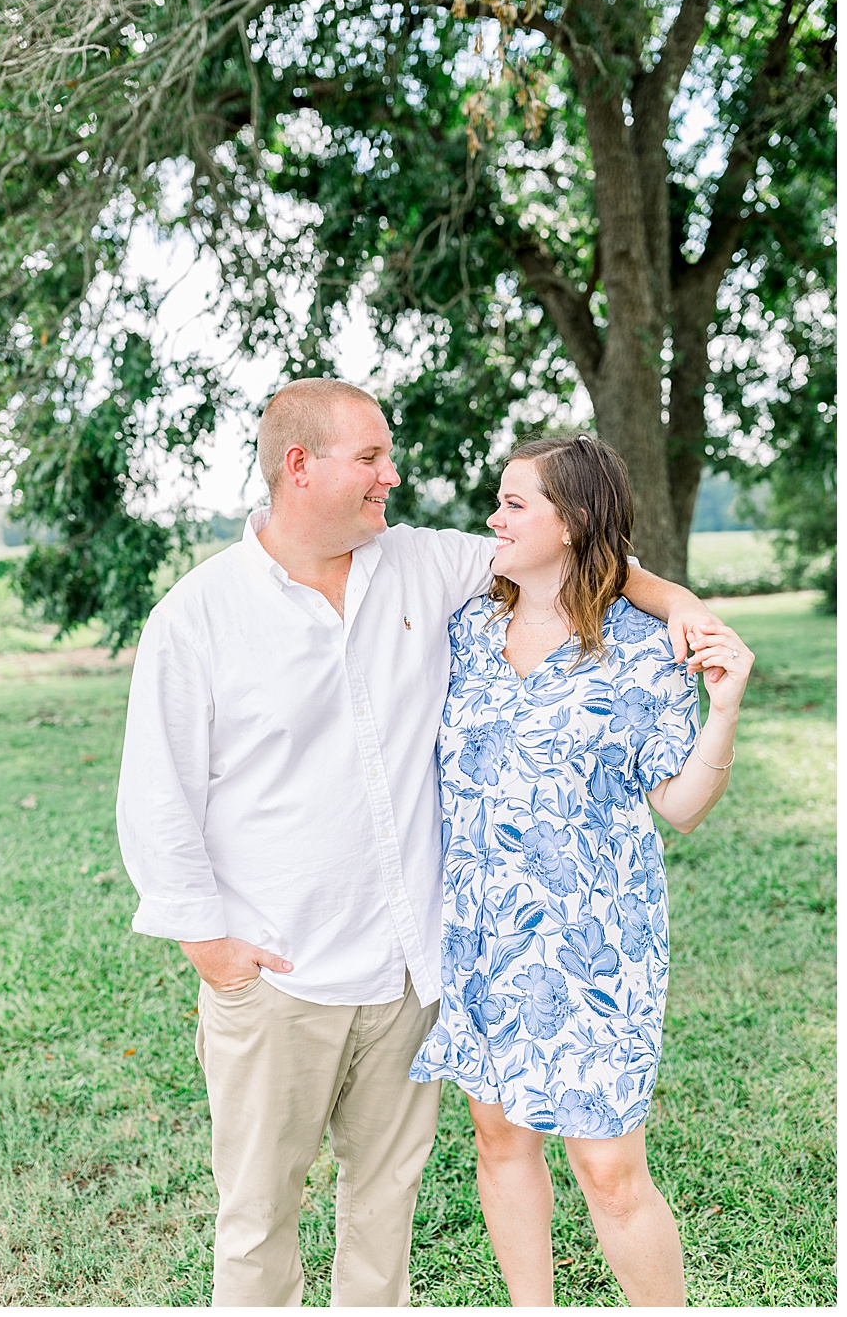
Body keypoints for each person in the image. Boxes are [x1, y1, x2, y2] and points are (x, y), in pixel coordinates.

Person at [115, 378, 723, 1306]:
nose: (393, 477)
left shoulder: (421, 565)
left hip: (410, 972)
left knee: (384, 1208)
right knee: (258, 1217)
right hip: (276, 973)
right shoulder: (197, 617)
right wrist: (208, 942)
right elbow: (156, 798)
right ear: (299, 465)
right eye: (371, 459)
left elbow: (580, 551)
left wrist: (673, 596)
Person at [407, 436, 751, 1306]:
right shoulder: (464, 632)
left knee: (608, 1168)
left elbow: (681, 806)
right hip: (483, 937)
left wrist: (726, 708)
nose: (494, 518)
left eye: (516, 504)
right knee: (498, 1140)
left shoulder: (644, 648)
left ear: (574, 522)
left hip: (596, 950)